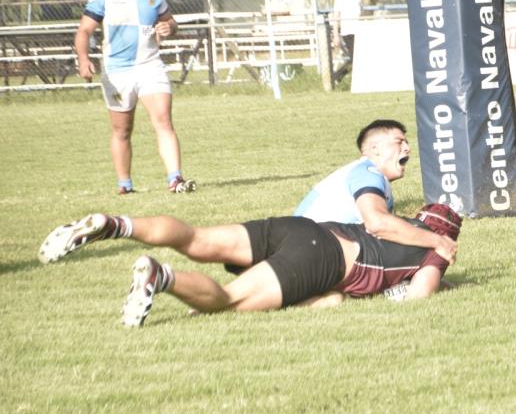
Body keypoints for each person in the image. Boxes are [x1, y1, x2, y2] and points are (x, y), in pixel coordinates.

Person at [37, 203, 463, 326]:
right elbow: (418, 297)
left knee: (195, 238)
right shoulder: (434, 249)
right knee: (226, 301)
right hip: (323, 258)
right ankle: (159, 276)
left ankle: (115, 224)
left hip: (300, 228)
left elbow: (379, 228)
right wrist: (443, 266)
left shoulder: (400, 225)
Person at [74, 0, 196, 195]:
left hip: (150, 66)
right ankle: (125, 185)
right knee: (122, 130)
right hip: (117, 72)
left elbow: (170, 23)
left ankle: (175, 179)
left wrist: (170, 28)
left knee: (163, 120)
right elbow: (84, 30)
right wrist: (83, 59)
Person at [294, 119, 458, 263]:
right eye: (399, 142)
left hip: (309, 252)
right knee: (422, 233)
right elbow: (377, 223)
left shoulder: (368, 176)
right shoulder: (367, 172)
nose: (407, 148)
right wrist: (437, 241)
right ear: (375, 149)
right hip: (309, 254)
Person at [331, 0, 362, 82]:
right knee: (355, 58)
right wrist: (336, 35)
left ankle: (338, 77)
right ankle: (336, 76)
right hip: (348, 32)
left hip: (358, 31)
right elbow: (336, 17)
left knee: (357, 58)